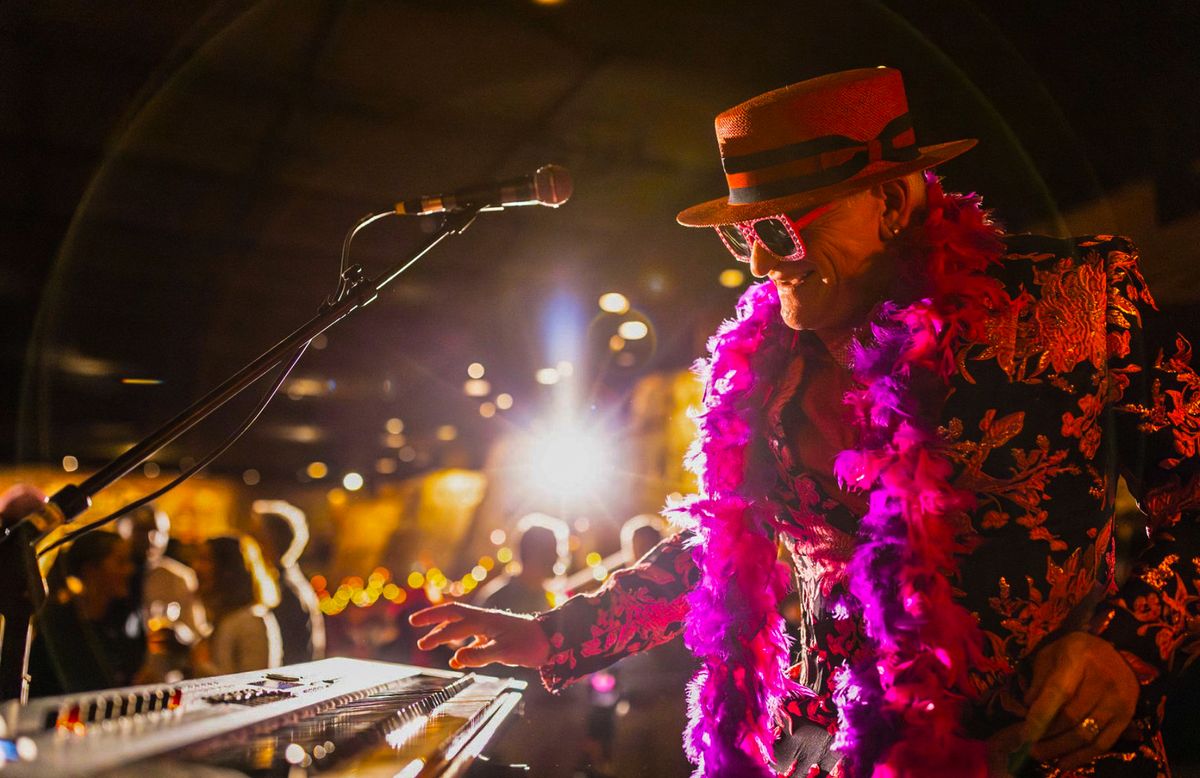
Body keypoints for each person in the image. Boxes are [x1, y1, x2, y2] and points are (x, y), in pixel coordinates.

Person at [412, 68, 1198, 776]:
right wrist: (555, 635)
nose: (756, 264)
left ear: (889, 203)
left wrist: (1129, 651)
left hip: (1043, 753)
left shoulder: (1078, 302)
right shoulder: (764, 362)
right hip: (833, 756)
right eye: (741, 233)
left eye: (781, 230)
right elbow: (726, 548)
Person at [28, 530, 146, 696]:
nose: (130, 570)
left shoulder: (128, 619)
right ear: (90, 570)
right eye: (120, 562)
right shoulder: (58, 625)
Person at [118, 505, 210, 680]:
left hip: (159, 680)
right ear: (122, 531)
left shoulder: (178, 577)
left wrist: (180, 636)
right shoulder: (112, 574)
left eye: (158, 531)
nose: (151, 538)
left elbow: (196, 635)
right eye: (141, 530)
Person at [192, 534, 282, 675]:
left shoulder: (251, 622)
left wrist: (196, 662)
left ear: (229, 569)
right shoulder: (222, 618)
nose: (196, 567)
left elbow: (253, 685)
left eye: (206, 560)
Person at [249, 500, 325, 665]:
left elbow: (292, 656)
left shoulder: (285, 590)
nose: (248, 542)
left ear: (269, 542)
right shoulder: (288, 582)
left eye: (255, 535)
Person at [475, 513, 567, 613]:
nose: (556, 557)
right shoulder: (499, 599)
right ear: (531, 553)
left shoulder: (553, 601)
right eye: (549, 551)